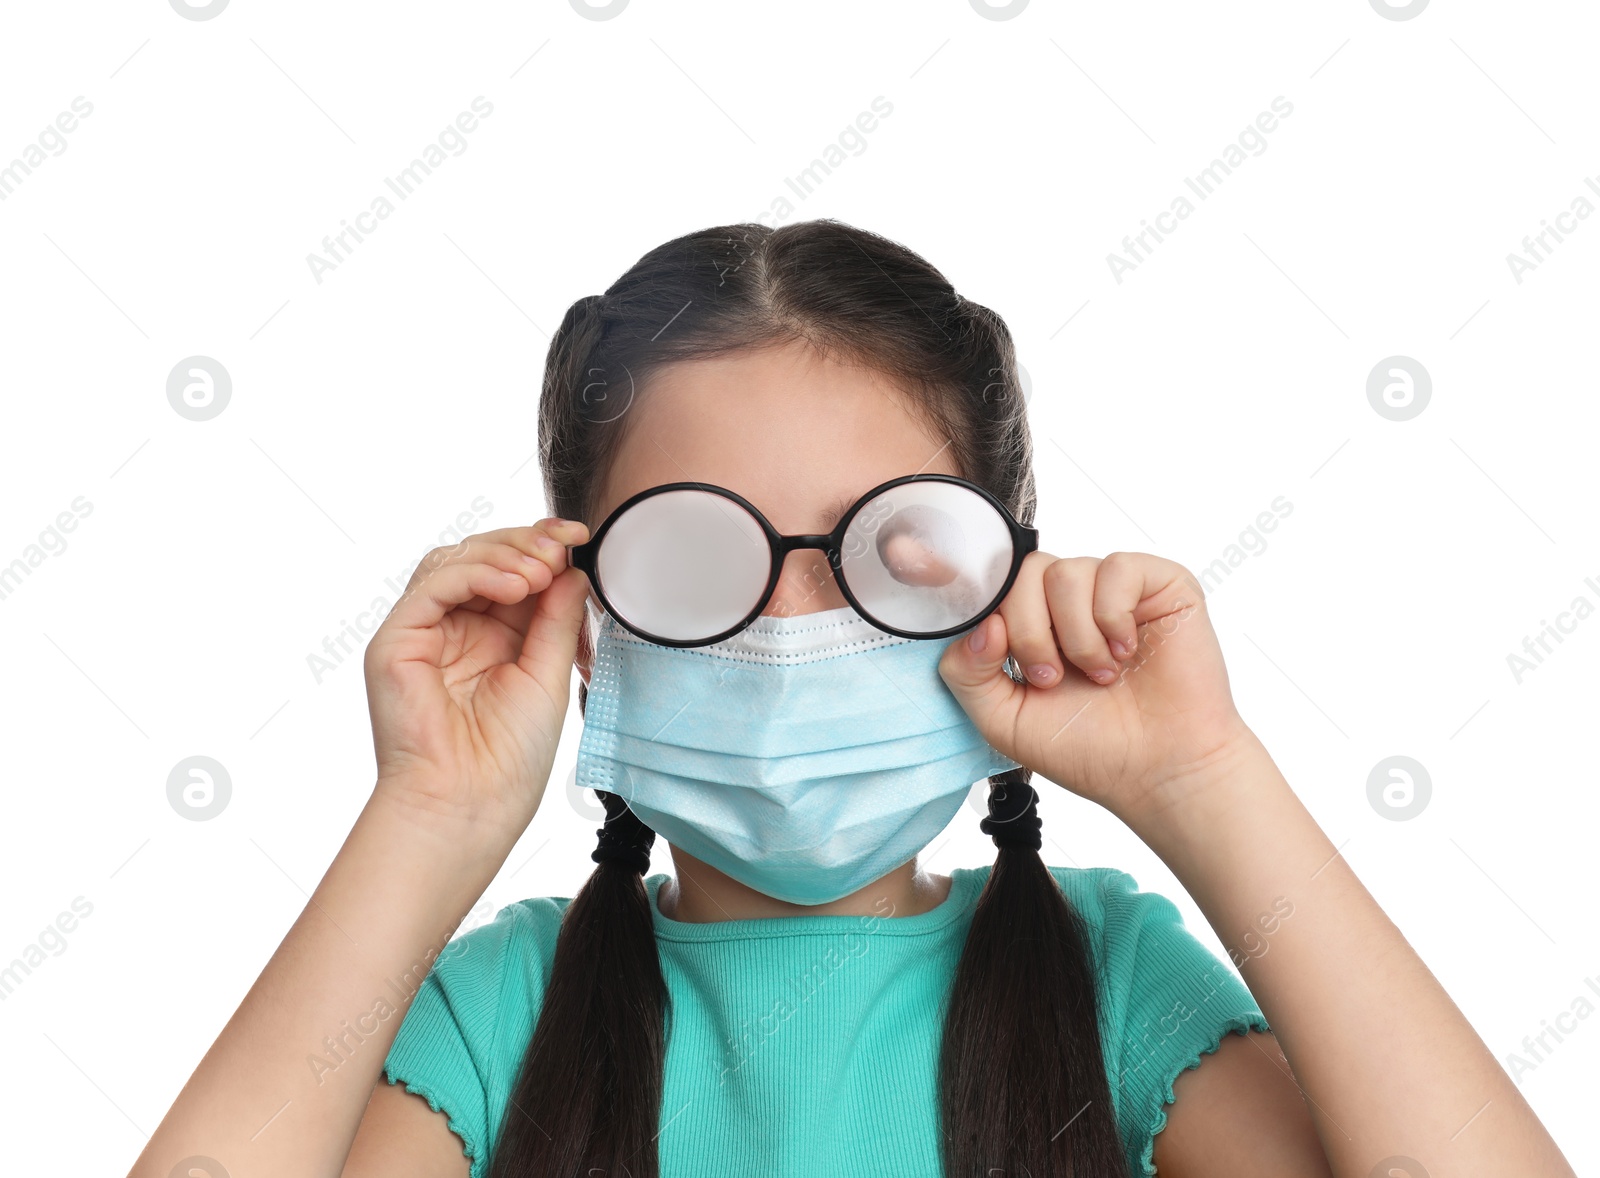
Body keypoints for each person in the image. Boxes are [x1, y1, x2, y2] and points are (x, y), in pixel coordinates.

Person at [128, 219, 1575, 1178]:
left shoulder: (1110, 987)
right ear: (579, 607)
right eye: (697, 556)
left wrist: (1205, 775)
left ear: (999, 579)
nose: (792, 627)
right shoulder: (501, 1013)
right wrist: (427, 819)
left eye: (897, 549)